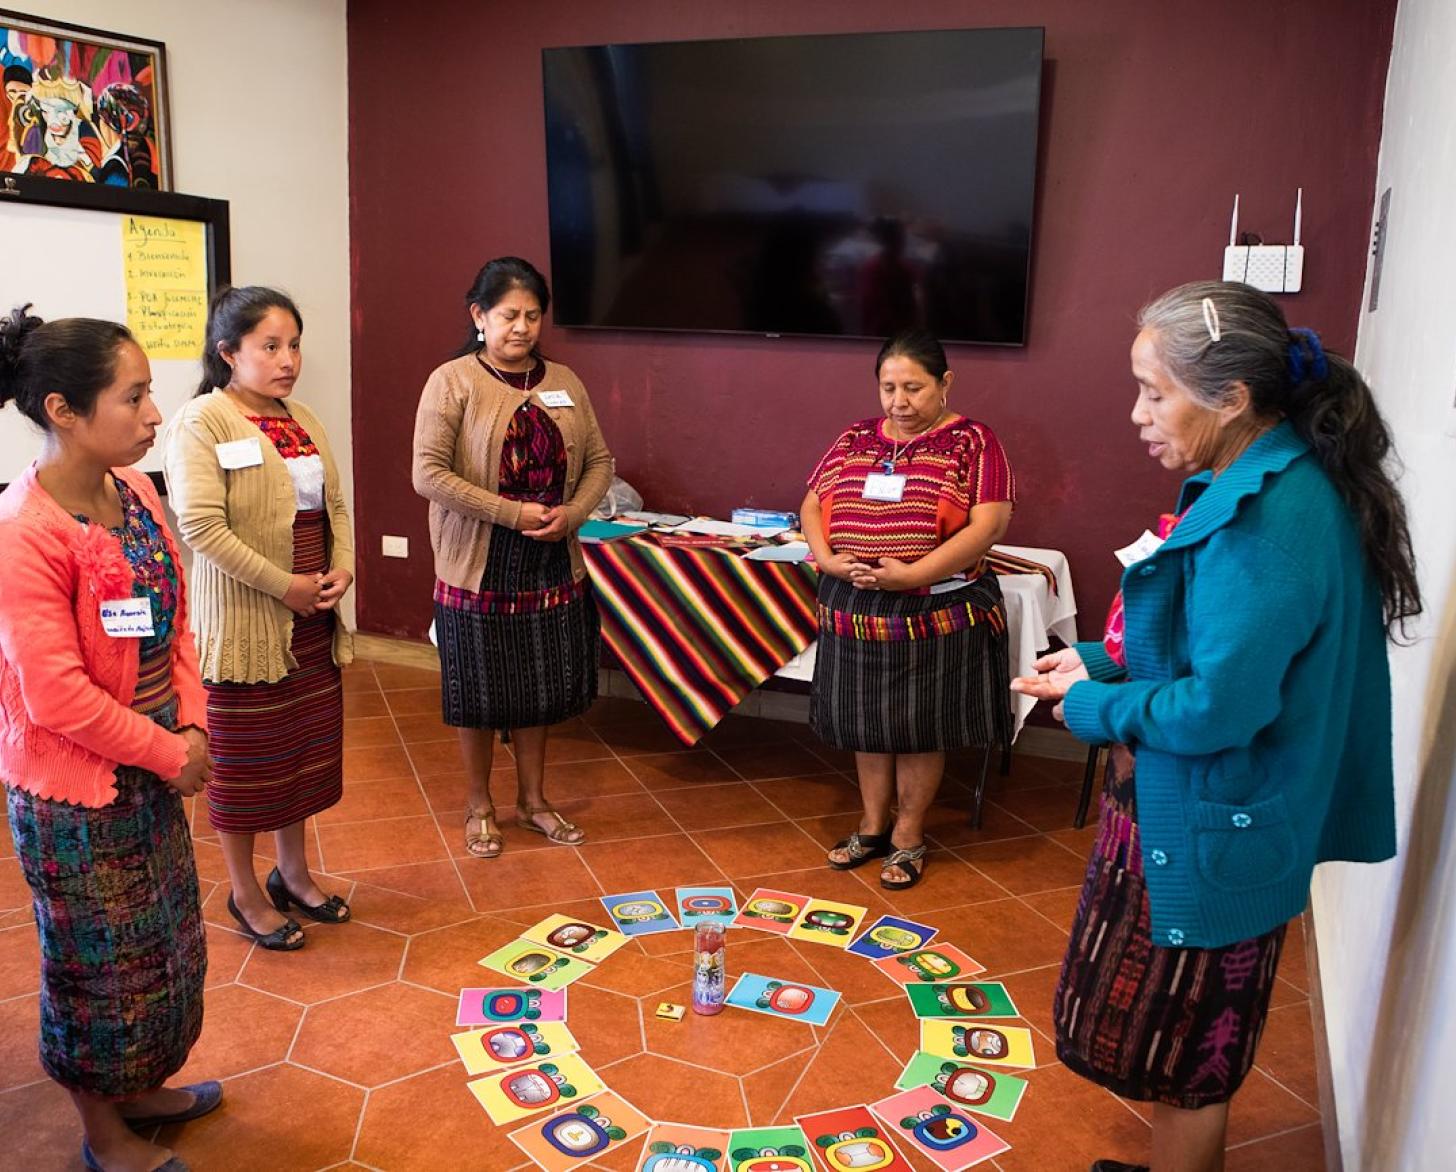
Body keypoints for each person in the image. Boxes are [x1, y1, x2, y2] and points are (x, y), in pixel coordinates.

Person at [1011, 280, 1421, 1172]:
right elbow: (1217, 651)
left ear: (1230, 398)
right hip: (1201, 811)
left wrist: (1088, 706)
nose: (1137, 414)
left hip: (1213, 823)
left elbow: (1218, 708)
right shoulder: (1260, 476)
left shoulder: (1266, 519)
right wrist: (1106, 662)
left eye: (1155, 391)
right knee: (1170, 1043)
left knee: (1187, 1056)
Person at [0, 306, 221, 1172]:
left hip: (155, 763)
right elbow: (54, 696)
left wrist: (194, 719)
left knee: (163, 940)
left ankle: (139, 1086)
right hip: (78, 791)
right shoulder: (25, 531)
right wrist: (172, 751)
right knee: (100, 965)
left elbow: (176, 627)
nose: (154, 414)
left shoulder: (133, 492)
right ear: (63, 409)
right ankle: (103, 1132)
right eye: (133, 398)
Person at [164, 287, 354, 951]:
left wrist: (343, 569)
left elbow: (336, 507)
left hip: (310, 620)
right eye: (270, 346)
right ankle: (245, 891)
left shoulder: (299, 418)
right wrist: (285, 586)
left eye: (294, 344)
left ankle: (293, 873)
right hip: (248, 624)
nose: (288, 359)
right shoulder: (202, 421)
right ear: (228, 353)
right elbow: (200, 526)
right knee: (247, 765)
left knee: (298, 752)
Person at [412, 256, 614, 858]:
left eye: (532, 315)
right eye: (508, 315)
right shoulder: (451, 381)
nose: (522, 327)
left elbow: (600, 461)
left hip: (552, 558)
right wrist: (512, 513)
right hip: (477, 562)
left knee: (539, 686)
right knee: (478, 690)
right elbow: (428, 474)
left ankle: (534, 801)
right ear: (479, 316)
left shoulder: (566, 381)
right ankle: (480, 805)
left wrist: (571, 514)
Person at [803, 329, 1015, 889]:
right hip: (857, 607)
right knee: (867, 722)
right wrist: (826, 559)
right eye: (889, 388)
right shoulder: (854, 437)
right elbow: (812, 502)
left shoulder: (974, 442)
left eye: (914, 388)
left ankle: (908, 836)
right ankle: (872, 826)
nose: (899, 402)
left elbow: (989, 525)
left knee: (919, 725)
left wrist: (914, 575)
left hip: (934, 610)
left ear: (945, 383)